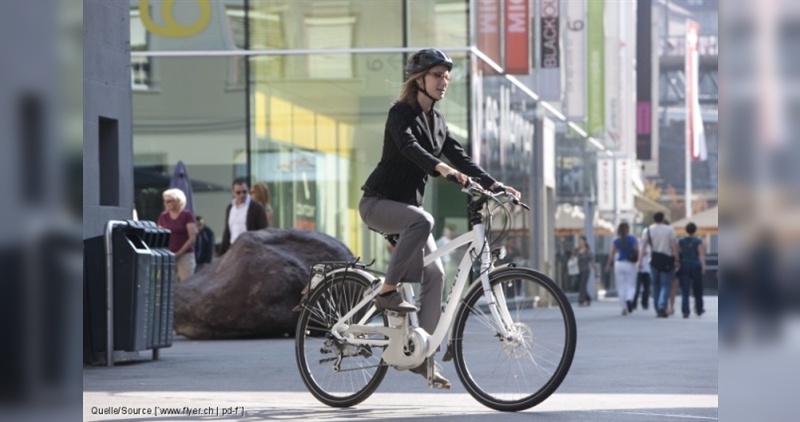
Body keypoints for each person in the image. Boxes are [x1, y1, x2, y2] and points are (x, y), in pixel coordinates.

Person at [358, 48, 520, 388]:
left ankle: (422, 353)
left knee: (436, 273)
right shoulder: (400, 113)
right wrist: (441, 168)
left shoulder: (438, 122)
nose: (444, 81)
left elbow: (459, 156)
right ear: (419, 79)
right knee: (424, 220)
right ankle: (387, 291)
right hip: (378, 202)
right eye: (437, 75)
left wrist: (494, 184)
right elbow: (407, 147)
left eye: (447, 75)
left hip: (407, 213)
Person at [640, 212, 680, 318]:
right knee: (665, 284)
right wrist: (676, 259)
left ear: (653, 219)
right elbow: (673, 245)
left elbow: (643, 246)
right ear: (663, 218)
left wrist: (639, 261)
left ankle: (658, 309)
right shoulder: (669, 229)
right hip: (667, 260)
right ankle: (662, 305)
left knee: (656, 285)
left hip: (653, 260)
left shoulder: (647, 230)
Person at [219, 178, 268, 255]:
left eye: (244, 192)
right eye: (238, 193)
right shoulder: (230, 208)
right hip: (233, 249)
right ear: (233, 193)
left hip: (250, 250)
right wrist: (222, 252)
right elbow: (228, 231)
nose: (242, 195)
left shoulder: (256, 208)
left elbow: (263, 231)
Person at [157, 188, 197, 282]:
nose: (166, 203)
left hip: (185, 255)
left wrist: (179, 253)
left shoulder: (187, 215)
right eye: (165, 201)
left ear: (178, 201)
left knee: (187, 283)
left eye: (169, 201)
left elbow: (192, 238)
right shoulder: (163, 216)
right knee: (169, 284)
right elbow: (159, 236)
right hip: (168, 256)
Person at [605, 222, 639, 315]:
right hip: (630, 264)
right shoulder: (633, 239)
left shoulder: (616, 240)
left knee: (621, 286)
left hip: (619, 264)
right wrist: (639, 262)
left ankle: (623, 308)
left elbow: (611, 254)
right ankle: (629, 298)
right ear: (628, 229)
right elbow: (637, 251)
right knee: (631, 285)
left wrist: (608, 265)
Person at [678, 222, 706, 318]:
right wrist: (703, 266)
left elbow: (678, 253)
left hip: (684, 265)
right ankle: (699, 308)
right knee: (697, 289)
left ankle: (685, 311)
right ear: (695, 230)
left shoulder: (681, 241)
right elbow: (701, 254)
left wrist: (678, 263)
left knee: (685, 290)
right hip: (695, 265)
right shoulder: (698, 241)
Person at [575, 235, 598, 307]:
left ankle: (581, 301)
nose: (580, 243)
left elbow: (592, 262)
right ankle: (588, 298)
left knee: (583, 285)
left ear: (585, 242)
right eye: (579, 241)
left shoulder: (588, 251)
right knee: (580, 286)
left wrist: (596, 270)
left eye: (581, 241)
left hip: (586, 270)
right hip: (578, 271)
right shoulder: (576, 250)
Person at [633, 228, 652, 310]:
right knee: (636, 287)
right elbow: (636, 251)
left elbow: (648, 253)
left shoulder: (650, 244)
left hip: (647, 268)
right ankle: (634, 302)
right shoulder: (637, 242)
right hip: (638, 268)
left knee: (646, 288)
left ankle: (645, 303)